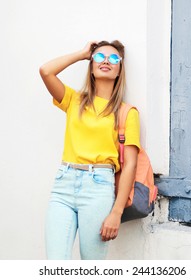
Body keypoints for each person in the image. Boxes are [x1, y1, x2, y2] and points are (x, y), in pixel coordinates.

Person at [39, 40, 140, 260]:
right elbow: (46, 71)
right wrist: (82, 53)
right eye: (99, 56)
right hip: (63, 186)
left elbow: (130, 164)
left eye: (114, 58)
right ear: (91, 66)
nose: (106, 61)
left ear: (119, 69)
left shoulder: (126, 112)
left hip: (98, 189)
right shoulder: (74, 100)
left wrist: (116, 212)